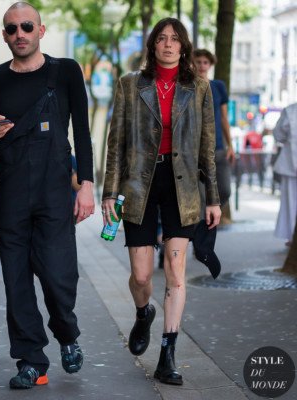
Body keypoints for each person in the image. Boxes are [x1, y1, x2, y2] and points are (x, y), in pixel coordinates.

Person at [0, 2, 95, 389]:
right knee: (16, 281)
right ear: (4, 35)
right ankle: (31, 360)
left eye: (27, 26)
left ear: (40, 31)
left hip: (54, 190)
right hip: (9, 192)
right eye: (11, 29)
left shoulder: (66, 72)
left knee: (59, 276)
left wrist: (88, 186)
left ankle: (68, 334)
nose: (19, 34)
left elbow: (83, 134)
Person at [102, 18, 221, 386]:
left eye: (175, 40)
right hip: (139, 185)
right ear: (152, 45)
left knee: (175, 271)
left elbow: (207, 148)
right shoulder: (128, 85)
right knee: (140, 275)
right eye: (161, 39)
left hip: (182, 187)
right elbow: (115, 143)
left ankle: (167, 354)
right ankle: (143, 313)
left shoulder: (198, 88)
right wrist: (109, 192)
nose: (168, 45)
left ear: (183, 47)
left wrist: (213, 199)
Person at [193, 49, 235, 209]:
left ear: (210, 65)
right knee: (201, 195)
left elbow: (224, 118)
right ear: (192, 63)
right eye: (198, 62)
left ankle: (210, 217)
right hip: (195, 150)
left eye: (205, 62)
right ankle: (203, 227)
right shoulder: (188, 87)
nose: (202, 66)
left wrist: (230, 145)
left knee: (225, 190)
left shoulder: (218, 86)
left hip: (217, 148)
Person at [272, 102, 297, 247]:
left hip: (290, 165)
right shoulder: (289, 111)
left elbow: (278, 135)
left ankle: (291, 236)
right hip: (289, 165)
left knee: (290, 203)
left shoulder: (290, 111)